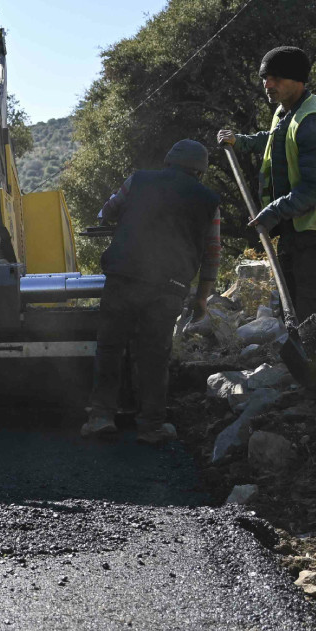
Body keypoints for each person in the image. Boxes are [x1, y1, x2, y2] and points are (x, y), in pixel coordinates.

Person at [81, 140, 222, 444]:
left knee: (109, 347)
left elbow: (107, 211)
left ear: (168, 160)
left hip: (123, 278)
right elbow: (212, 254)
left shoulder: (139, 180)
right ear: (200, 170)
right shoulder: (209, 201)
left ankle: (101, 417)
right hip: (168, 286)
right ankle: (151, 427)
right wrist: (201, 297)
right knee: (154, 355)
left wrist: (114, 219)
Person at [217, 45, 316, 323]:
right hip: (294, 230)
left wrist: (272, 211)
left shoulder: (310, 121)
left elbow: (313, 188)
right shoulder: (286, 111)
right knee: (292, 306)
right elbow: (274, 139)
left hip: (311, 235)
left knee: (310, 309)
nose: (267, 84)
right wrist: (241, 141)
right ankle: (299, 363)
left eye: (276, 78)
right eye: (264, 78)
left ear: (298, 79)